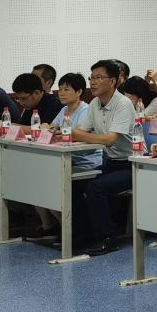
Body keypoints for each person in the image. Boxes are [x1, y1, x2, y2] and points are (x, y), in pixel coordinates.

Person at [70, 60, 137, 256]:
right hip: (110, 163)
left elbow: (110, 139)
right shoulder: (94, 103)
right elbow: (81, 131)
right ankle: (82, 236)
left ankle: (108, 237)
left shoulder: (123, 104)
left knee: (95, 187)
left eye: (98, 77)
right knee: (76, 184)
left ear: (113, 81)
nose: (92, 82)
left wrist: (79, 135)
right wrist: (71, 134)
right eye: (91, 77)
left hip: (132, 165)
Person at [29, 73, 103, 239]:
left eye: (66, 89)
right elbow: (50, 127)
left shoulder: (85, 110)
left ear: (79, 92)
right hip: (65, 159)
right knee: (35, 180)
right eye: (60, 89)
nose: (61, 93)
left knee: (50, 182)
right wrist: (47, 127)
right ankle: (52, 226)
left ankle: (70, 230)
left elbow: (77, 135)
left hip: (86, 161)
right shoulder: (64, 109)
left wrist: (55, 131)